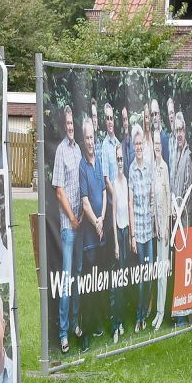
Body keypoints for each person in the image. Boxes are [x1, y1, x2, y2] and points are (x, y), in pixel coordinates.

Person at [51, 105, 81, 354]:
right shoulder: (61, 151)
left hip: (80, 225)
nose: (71, 127)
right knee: (67, 280)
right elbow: (58, 190)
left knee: (79, 278)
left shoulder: (78, 148)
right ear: (63, 126)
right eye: (68, 124)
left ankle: (75, 324)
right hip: (68, 227)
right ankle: (63, 333)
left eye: (73, 124)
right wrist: (72, 217)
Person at [78, 116, 106, 350]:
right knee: (87, 286)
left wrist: (103, 217)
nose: (90, 142)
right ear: (83, 139)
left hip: (102, 235)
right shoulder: (81, 166)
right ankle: (85, 335)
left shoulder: (99, 161)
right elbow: (85, 202)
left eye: (92, 137)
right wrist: (96, 221)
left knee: (99, 283)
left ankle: (97, 325)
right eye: (86, 137)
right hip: (89, 238)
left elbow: (104, 194)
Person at [128, 124, 153, 332]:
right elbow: (130, 203)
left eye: (140, 144)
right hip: (139, 234)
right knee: (141, 279)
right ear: (133, 146)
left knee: (150, 274)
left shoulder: (149, 168)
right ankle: (138, 316)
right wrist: (133, 236)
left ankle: (145, 313)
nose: (138, 147)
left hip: (150, 232)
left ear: (144, 146)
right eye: (135, 144)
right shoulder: (131, 169)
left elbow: (152, 197)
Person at [150, 130, 172, 331]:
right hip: (156, 229)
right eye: (154, 143)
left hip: (164, 230)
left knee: (164, 273)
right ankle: (157, 312)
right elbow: (153, 199)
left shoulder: (164, 167)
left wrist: (165, 225)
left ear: (162, 146)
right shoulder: (153, 167)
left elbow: (167, 195)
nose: (157, 146)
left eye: (159, 143)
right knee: (157, 272)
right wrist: (156, 224)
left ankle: (162, 313)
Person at [110, 143, 130, 344]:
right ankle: (115, 325)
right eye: (117, 160)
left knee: (124, 282)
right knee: (116, 284)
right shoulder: (115, 184)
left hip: (127, 234)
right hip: (118, 237)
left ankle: (122, 321)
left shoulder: (127, 182)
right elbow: (114, 215)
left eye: (122, 159)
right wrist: (115, 244)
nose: (120, 162)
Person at [169, 108, 192, 231]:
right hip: (175, 215)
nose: (179, 134)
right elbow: (172, 186)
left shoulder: (188, 157)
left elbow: (187, 192)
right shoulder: (175, 155)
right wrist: (173, 208)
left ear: (184, 132)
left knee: (185, 249)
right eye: (176, 130)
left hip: (184, 218)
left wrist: (179, 211)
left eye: (181, 130)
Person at [151, 98, 170, 170]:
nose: (154, 117)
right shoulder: (151, 139)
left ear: (159, 115)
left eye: (156, 114)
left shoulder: (164, 138)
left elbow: (167, 165)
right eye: (152, 114)